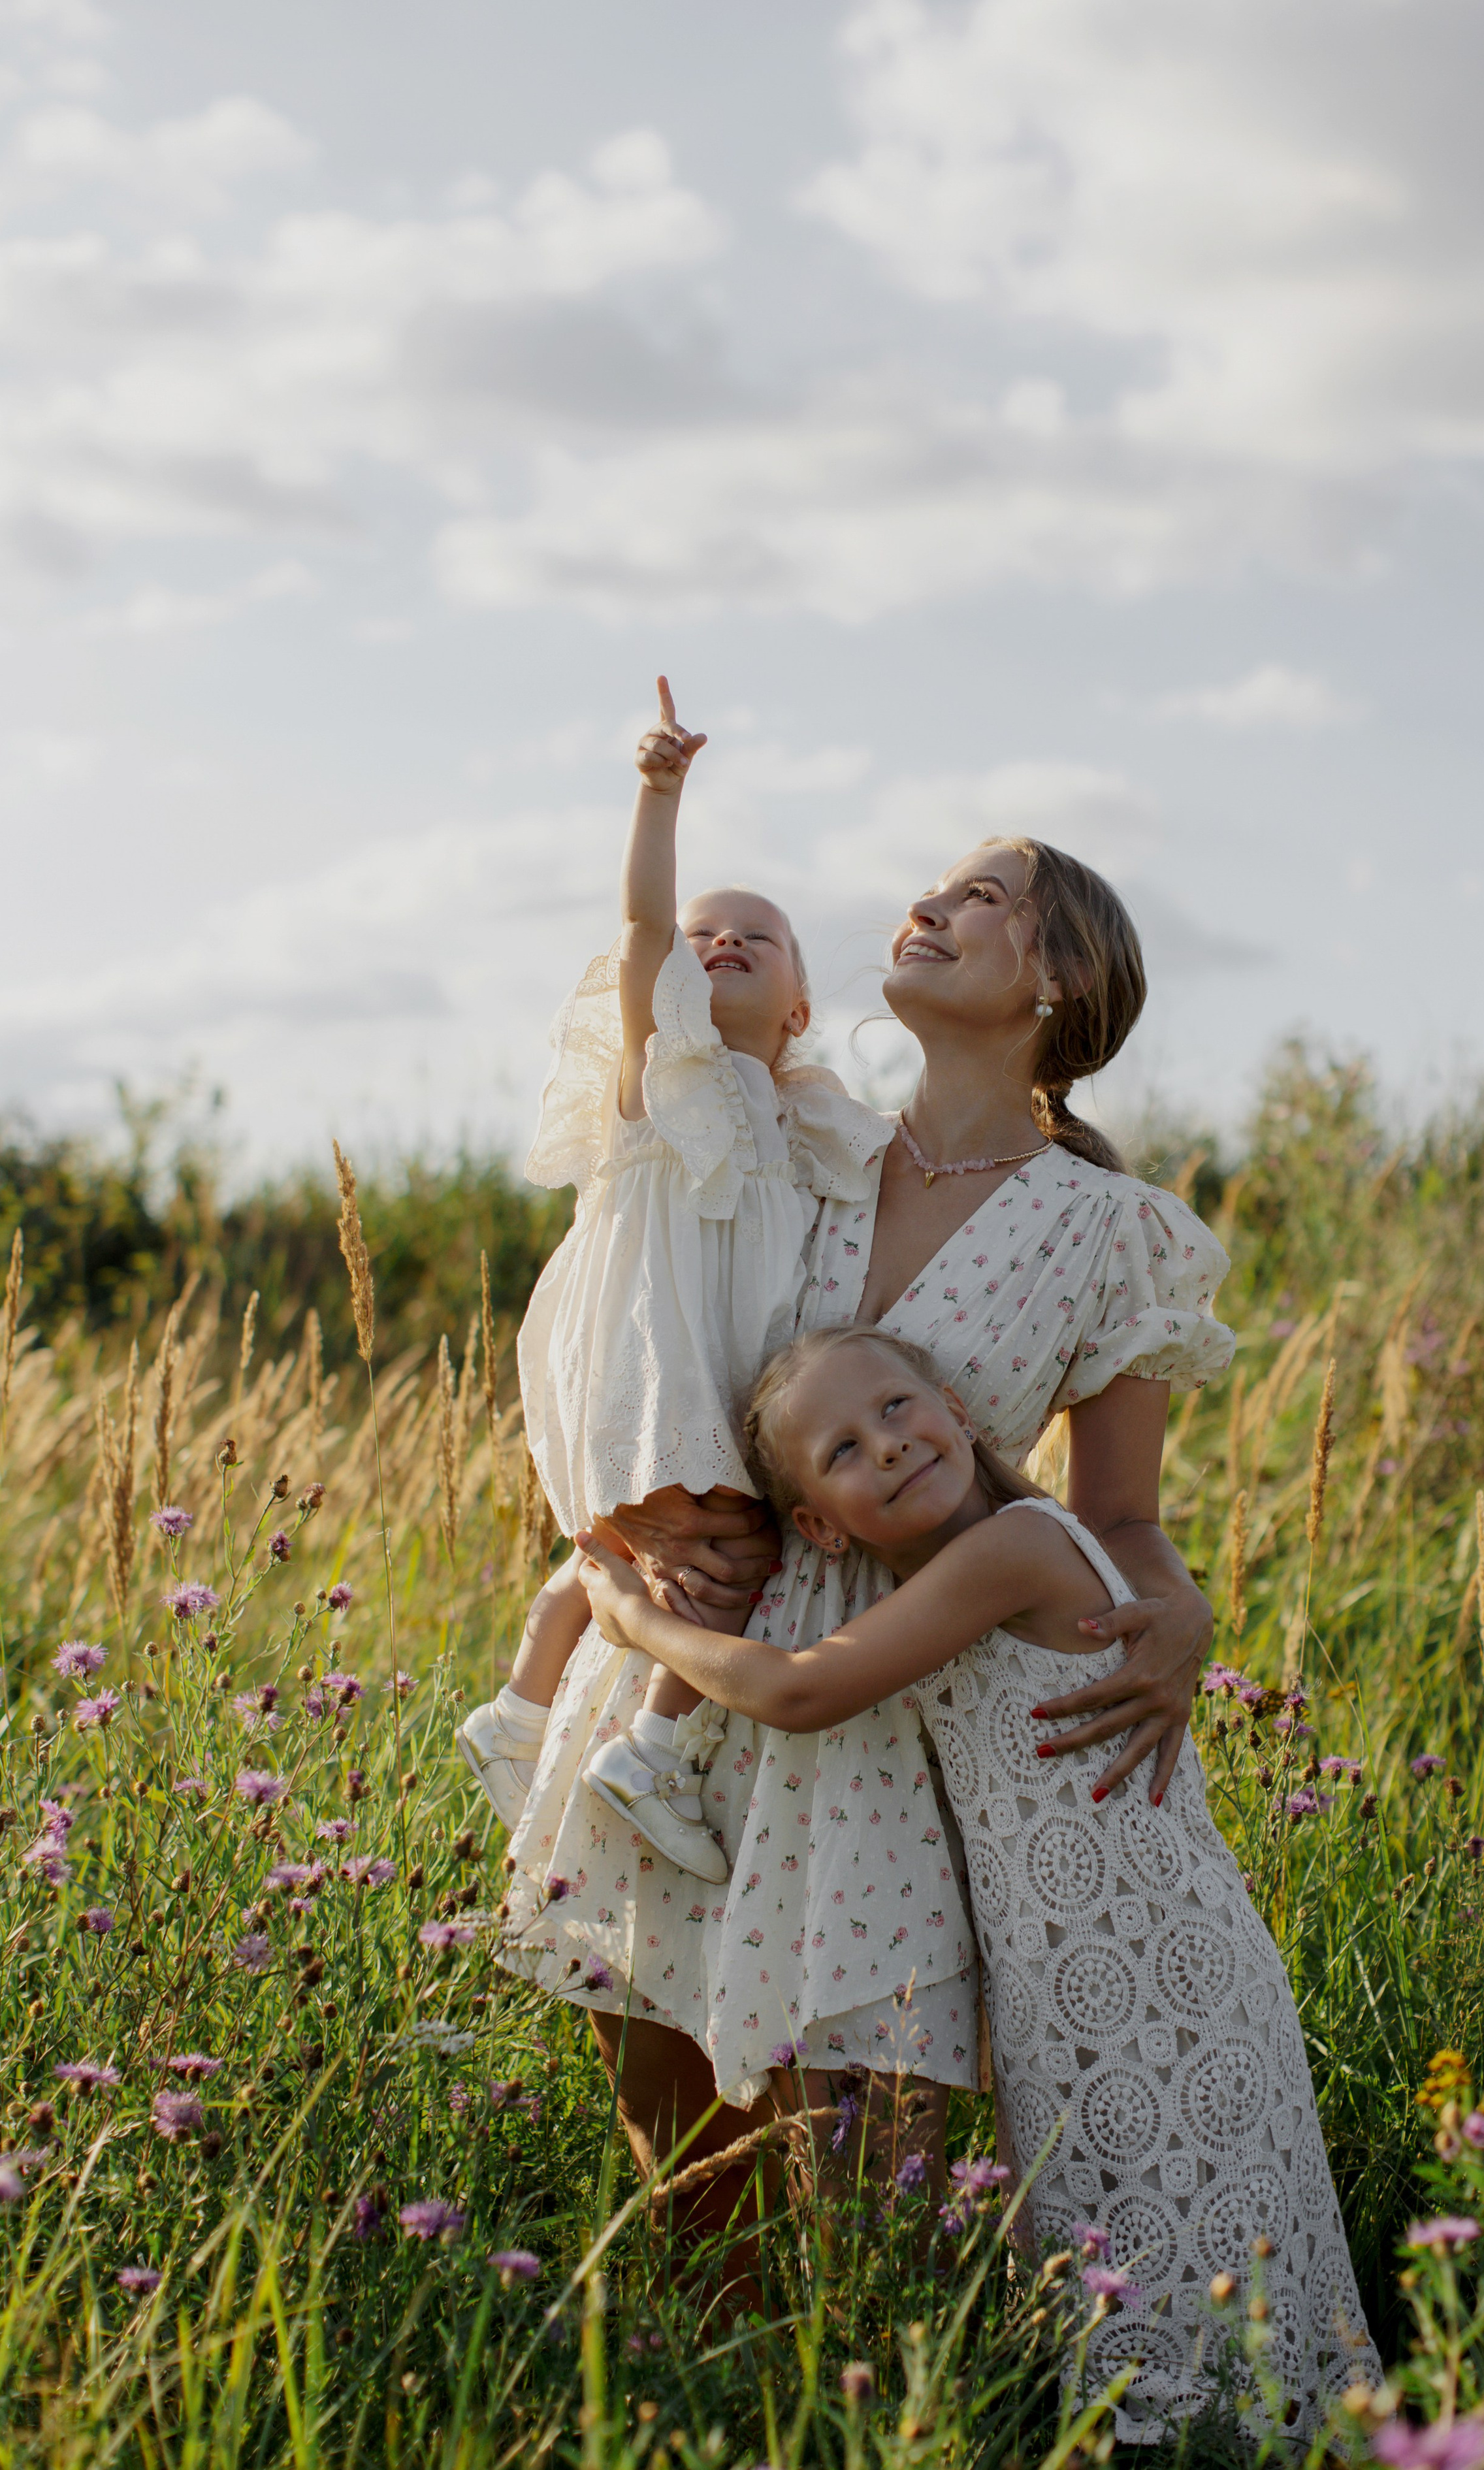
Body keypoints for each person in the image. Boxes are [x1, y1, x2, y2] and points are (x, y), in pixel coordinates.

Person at [500, 829, 1233, 2233]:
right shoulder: (790, 1139)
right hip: (681, 1684)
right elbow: (625, 1337)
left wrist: (1179, 1608)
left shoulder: (1109, 1232)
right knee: (687, 2195)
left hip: (884, 1726)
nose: (927, 905)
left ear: (1057, 978)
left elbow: (1119, 1517)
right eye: (935, 886)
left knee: (861, 2215)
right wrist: (619, 1532)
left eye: (981, 897)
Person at [574, 1324, 1381, 2444]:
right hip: (1069, 1985)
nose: (892, 1445)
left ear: (956, 1407)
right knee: (1122, 2250)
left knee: (1209, 2246)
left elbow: (802, 1690)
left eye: (901, 1408)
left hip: (1165, 1966)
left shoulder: (1019, 1545)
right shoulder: (947, 1580)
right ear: (817, 1523)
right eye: (847, 1449)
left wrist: (630, 1619)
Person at [457, 677, 889, 1881]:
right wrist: (660, 794)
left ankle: (520, 1712)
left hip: (724, 1368)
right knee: (734, 1557)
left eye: (757, 935)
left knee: (638, 1536)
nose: (722, 941)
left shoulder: (809, 1122)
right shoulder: (671, 1071)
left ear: (800, 1004)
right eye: (708, 935)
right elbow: (646, 927)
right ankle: (648, 1751)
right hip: (661, 1363)